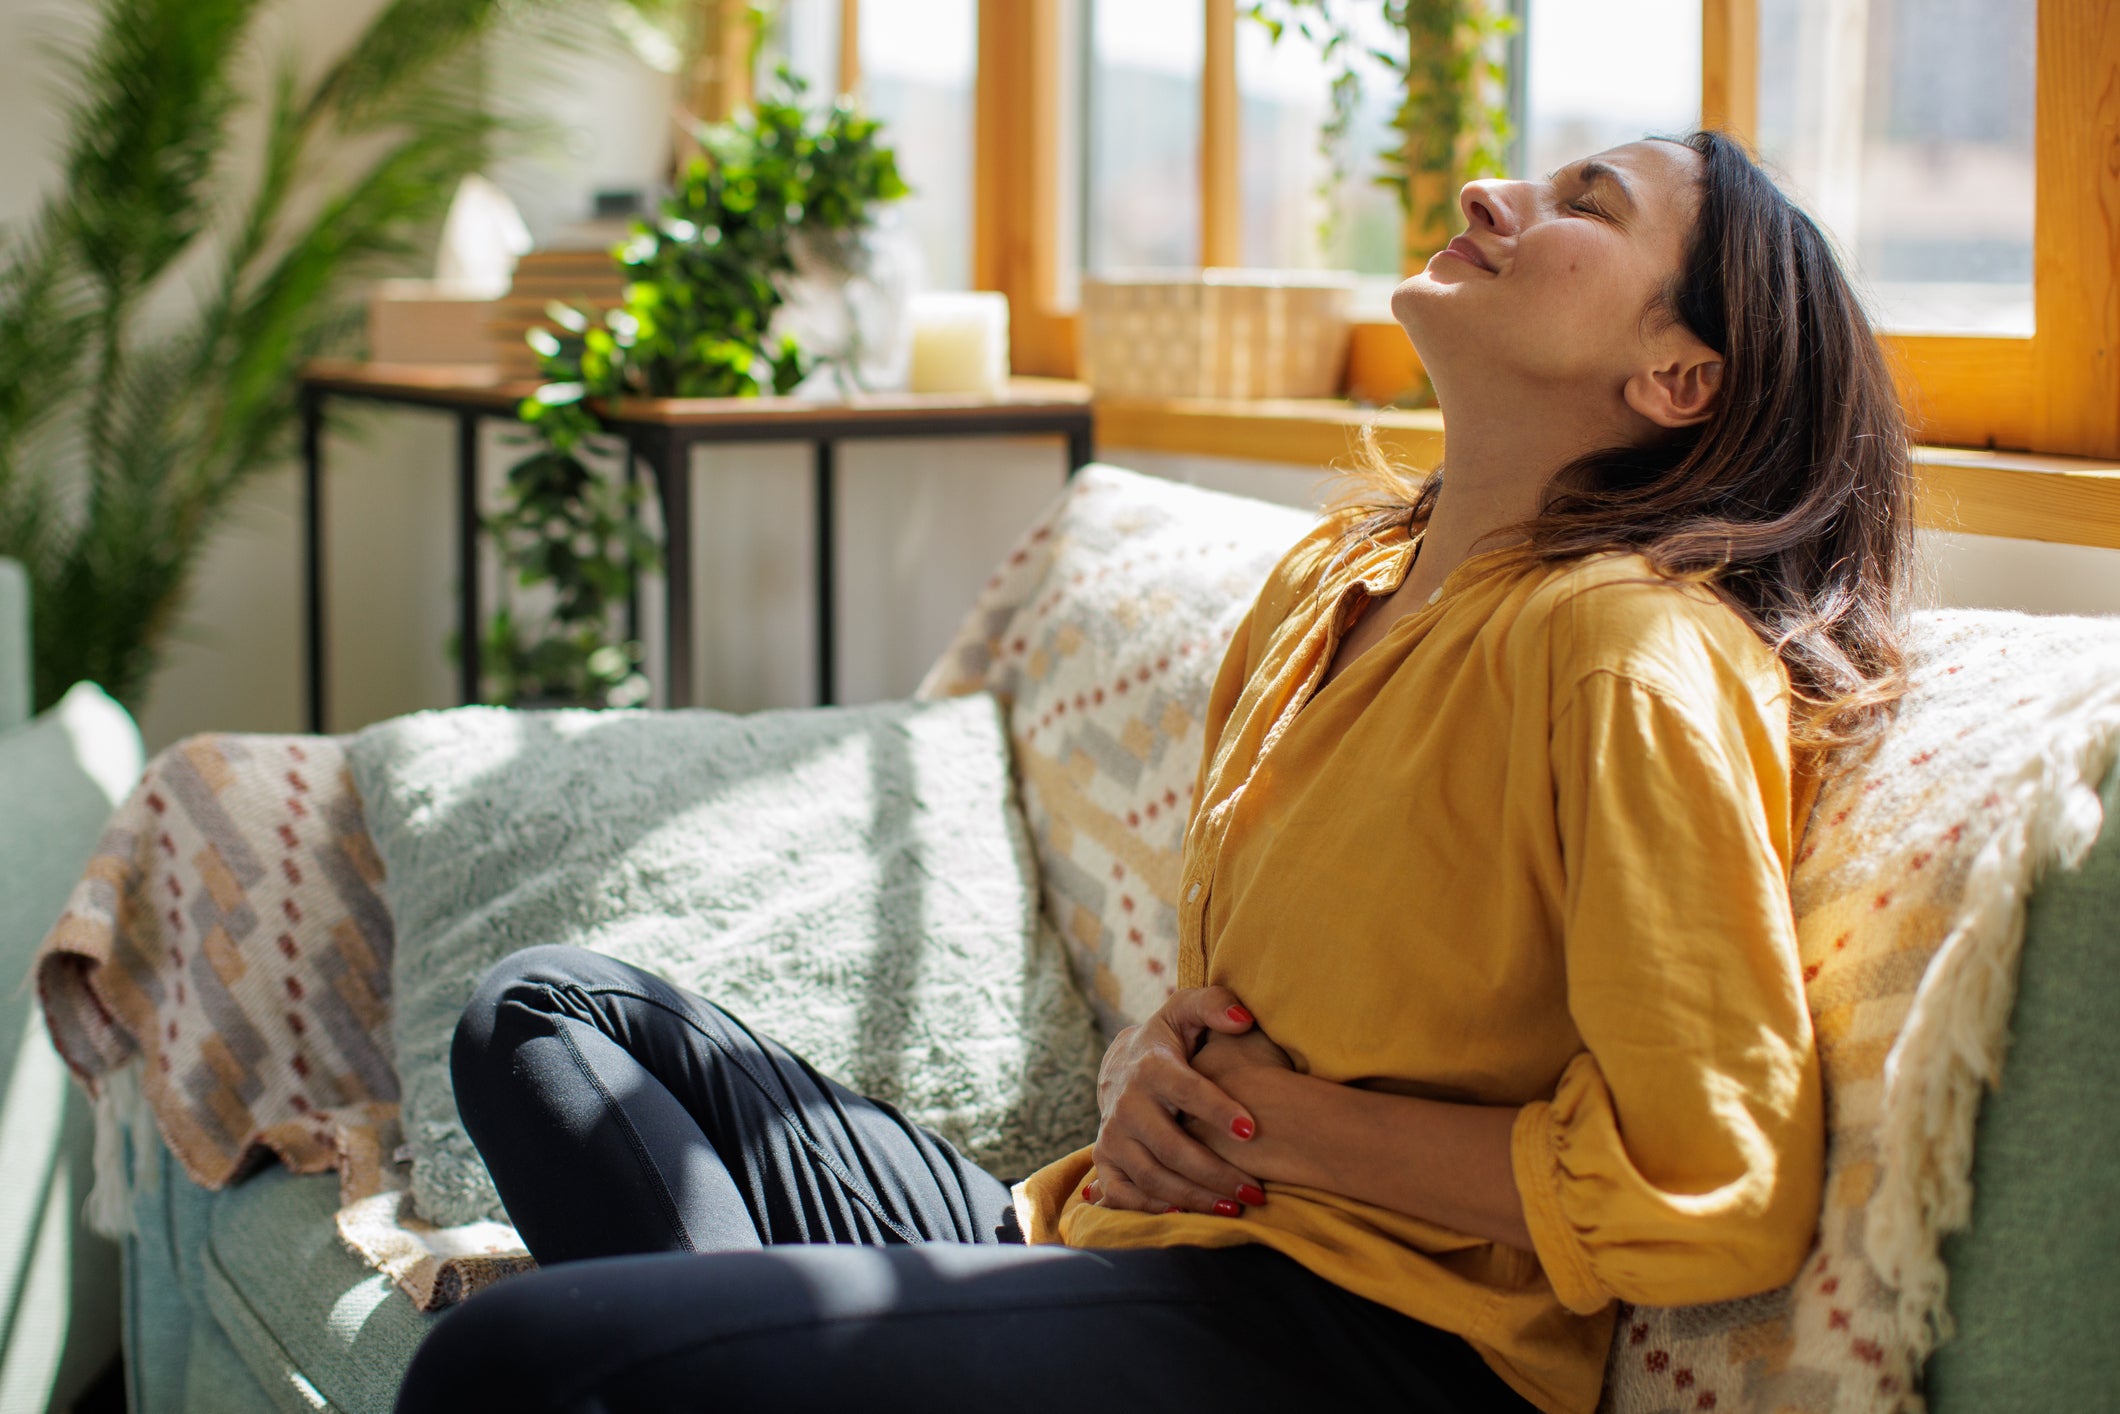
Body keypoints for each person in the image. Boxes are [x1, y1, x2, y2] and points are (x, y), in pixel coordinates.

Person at [394, 129, 1910, 1414]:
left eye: (1587, 205)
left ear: (1681, 377)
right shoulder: (1339, 578)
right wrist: (1142, 1073)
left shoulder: (1628, 654)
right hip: (1107, 1231)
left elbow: (1723, 1182)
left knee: (510, 1359)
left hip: (1342, 1338)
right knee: (542, 1014)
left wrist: (1263, 1129)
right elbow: (1250, 1010)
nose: (1492, 198)